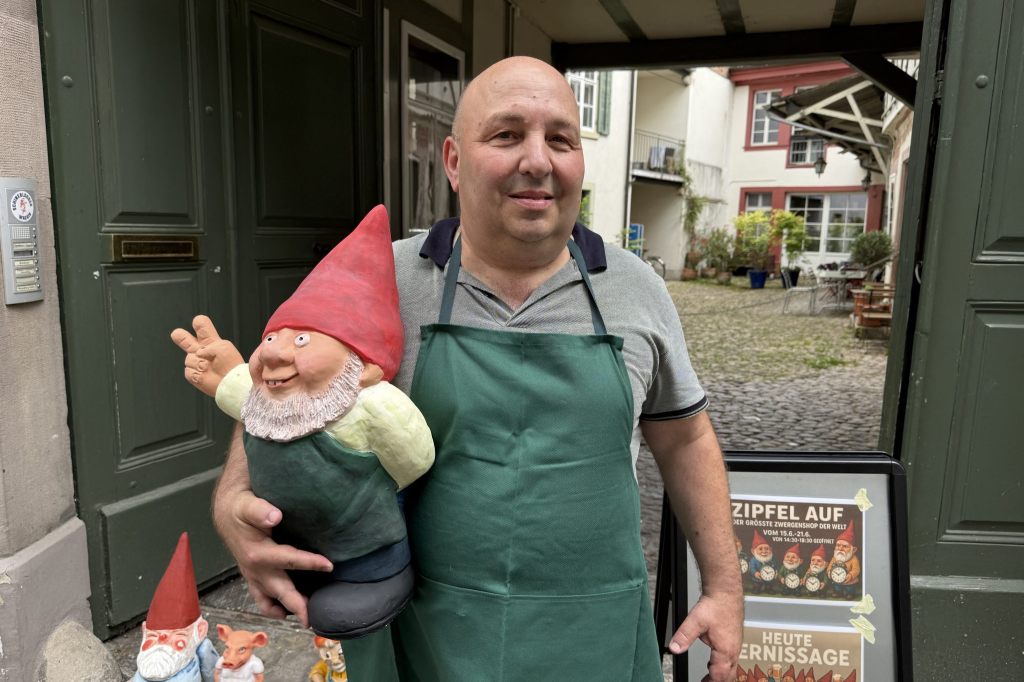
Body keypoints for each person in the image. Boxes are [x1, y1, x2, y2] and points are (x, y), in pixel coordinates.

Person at [200, 56, 742, 680]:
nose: (537, 160)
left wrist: (725, 588)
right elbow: (278, 395)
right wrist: (233, 504)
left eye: (560, 139)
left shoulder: (636, 290)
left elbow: (686, 438)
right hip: (422, 635)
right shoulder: (384, 276)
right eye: (507, 135)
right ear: (453, 161)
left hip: (591, 635)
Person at [133, 533, 218, 682]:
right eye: (154, 637)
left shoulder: (201, 650)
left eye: (178, 636)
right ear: (144, 631)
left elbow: (214, 673)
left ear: (200, 631)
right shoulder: (146, 667)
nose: (163, 642)